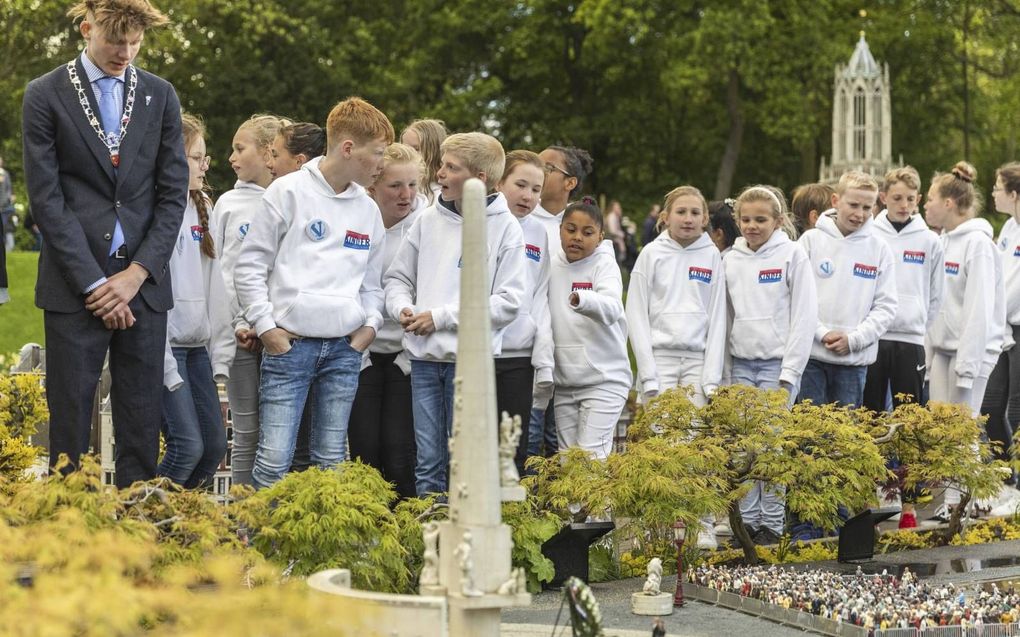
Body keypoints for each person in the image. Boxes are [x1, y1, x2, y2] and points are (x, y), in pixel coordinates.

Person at [22, 0, 187, 487]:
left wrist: (135, 276)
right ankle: (72, 538)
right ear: (86, 28)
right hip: (75, 286)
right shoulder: (44, 94)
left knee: (141, 421)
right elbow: (47, 201)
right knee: (70, 423)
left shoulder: (161, 95)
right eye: (116, 41)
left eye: (135, 42)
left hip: (145, 286)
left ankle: (137, 537)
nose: (126, 52)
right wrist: (97, 284)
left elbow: (173, 195)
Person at [233, 96, 393, 489]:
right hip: (291, 346)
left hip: (343, 350)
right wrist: (267, 327)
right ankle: (257, 548)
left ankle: (319, 552)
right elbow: (250, 265)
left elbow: (373, 282)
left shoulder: (367, 209)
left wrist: (369, 327)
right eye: (378, 153)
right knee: (273, 461)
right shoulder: (287, 192)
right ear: (348, 148)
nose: (382, 164)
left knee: (331, 462)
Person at [385, 132, 526, 496]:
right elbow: (397, 278)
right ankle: (429, 544)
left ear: (480, 179)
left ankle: (465, 547)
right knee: (428, 462)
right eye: (442, 166)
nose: (440, 175)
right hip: (424, 362)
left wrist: (442, 317)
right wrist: (403, 308)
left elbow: (509, 302)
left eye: (451, 168)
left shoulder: (506, 227)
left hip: (472, 365)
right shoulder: (427, 220)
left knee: (464, 463)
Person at [724, 185, 816, 545]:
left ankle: (772, 524)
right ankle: (745, 524)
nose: (752, 226)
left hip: (777, 366)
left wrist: (790, 371)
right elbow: (724, 318)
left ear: (778, 221)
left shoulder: (792, 255)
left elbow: (804, 315)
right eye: (745, 220)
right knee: (744, 448)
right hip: (742, 365)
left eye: (760, 219)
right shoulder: (730, 260)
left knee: (772, 447)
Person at [211, 113, 289, 487]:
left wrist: (270, 323)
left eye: (240, 149)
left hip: (283, 338)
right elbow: (220, 273)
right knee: (247, 432)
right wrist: (239, 324)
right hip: (241, 339)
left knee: (282, 437)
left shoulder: (292, 200)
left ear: (269, 152)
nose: (231, 157)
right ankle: (244, 524)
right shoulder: (227, 204)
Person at [925, 161, 1006, 520]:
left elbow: (979, 309)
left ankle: (976, 500)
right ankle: (948, 503)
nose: (923, 206)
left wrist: (969, 366)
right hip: (943, 350)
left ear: (949, 203)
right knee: (941, 430)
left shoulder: (978, 244)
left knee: (962, 428)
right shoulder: (943, 242)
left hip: (970, 352)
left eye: (929, 199)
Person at [158, 112, 234, 489]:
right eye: (195, 157)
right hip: (164, 348)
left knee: (213, 446)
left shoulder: (203, 205)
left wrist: (219, 355)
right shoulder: (154, 209)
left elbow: (215, 289)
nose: (204, 166)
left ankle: (177, 532)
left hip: (196, 349)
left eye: (205, 157)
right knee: (186, 446)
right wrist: (166, 367)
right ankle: (139, 529)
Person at [348, 143, 426, 499]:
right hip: (361, 350)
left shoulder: (426, 226)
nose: (405, 194)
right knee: (364, 454)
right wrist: (357, 350)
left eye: (412, 184)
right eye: (395, 185)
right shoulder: (355, 219)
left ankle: (408, 543)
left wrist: (406, 359)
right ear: (373, 187)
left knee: (400, 456)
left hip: (408, 357)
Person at [798, 171, 897, 408]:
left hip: (853, 362)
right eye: (853, 205)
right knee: (809, 436)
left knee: (846, 437)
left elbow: (886, 306)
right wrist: (821, 333)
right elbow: (796, 298)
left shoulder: (879, 249)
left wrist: (853, 340)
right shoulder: (810, 241)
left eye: (867, 207)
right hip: (810, 357)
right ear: (835, 201)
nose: (859, 214)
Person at [626, 185, 725, 408]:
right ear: (666, 217)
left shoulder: (711, 256)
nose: (688, 219)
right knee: (661, 437)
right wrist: (647, 372)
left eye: (695, 213)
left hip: (697, 362)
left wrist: (711, 379)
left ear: (705, 218)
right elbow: (635, 313)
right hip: (659, 359)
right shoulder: (651, 254)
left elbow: (718, 317)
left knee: (694, 435)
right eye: (681, 212)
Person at [263, 121, 325, 474]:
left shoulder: (348, 202)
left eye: (275, 154)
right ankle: (259, 530)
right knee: (274, 454)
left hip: (327, 345)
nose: (270, 163)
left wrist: (361, 334)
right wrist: (263, 326)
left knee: (317, 454)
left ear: (300, 160)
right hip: (282, 339)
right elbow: (252, 267)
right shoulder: (277, 198)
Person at [548, 198, 631, 460]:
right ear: (560, 229)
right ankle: (576, 505)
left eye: (587, 233)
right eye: (570, 229)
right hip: (564, 383)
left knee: (591, 458)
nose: (577, 238)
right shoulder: (550, 265)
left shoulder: (604, 265)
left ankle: (599, 505)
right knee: (568, 461)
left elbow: (612, 308)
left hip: (604, 380)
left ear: (600, 236)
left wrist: (582, 300)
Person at [528, 145, 594, 460]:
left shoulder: (579, 227)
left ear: (570, 183)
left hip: (568, 349)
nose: (538, 170)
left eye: (548, 167)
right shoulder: (522, 220)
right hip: (528, 347)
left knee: (560, 442)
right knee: (528, 436)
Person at [863, 167, 943, 412]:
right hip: (874, 337)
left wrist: (916, 323)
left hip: (911, 339)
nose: (904, 205)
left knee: (909, 416)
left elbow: (936, 294)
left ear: (918, 199)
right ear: (883, 197)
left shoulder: (930, 241)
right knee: (870, 414)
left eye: (910, 199)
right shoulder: (869, 235)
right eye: (897, 198)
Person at [496, 150, 553, 474]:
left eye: (536, 189)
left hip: (519, 355)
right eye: (520, 184)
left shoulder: (539, 232)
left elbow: (541, 293)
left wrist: (540, 349)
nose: (528, 196)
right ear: (500, 182)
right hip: (483, 352)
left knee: (514, 445)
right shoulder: (482, 223)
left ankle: (513, 518)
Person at [980, 161, 1020, 514]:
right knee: (991, 405)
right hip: (1003, 328)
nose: (993, 193)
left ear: (1014, 194)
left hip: (1018, 326)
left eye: (997, 187)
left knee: (1017, 408)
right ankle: (1005, 480)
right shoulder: (1008, 227)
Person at [400, 119, 448, 204]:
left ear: (434, 151)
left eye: (416, 149)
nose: (408, 154)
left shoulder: (442, 196)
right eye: (405, 148)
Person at [0, 155, 14, 252]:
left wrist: (10, 197)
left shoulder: (5, 174)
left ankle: (5, 247)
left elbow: (9, 188)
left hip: (5, 206)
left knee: (4, 227)